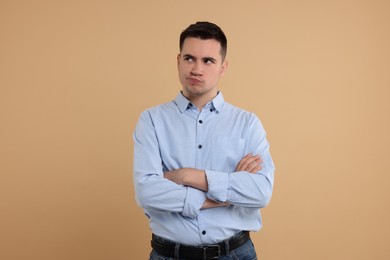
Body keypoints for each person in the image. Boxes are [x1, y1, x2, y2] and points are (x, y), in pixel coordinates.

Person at [133, 21, 275, 260]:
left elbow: (260, 192)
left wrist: (188, 176)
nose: (197, 69)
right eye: (189, 58)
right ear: (178, 61)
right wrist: (222, 195)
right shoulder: (152, 120)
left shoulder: (247, 123)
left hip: (235, 254)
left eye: (208, 60)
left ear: (223, 67)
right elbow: (146, 192)